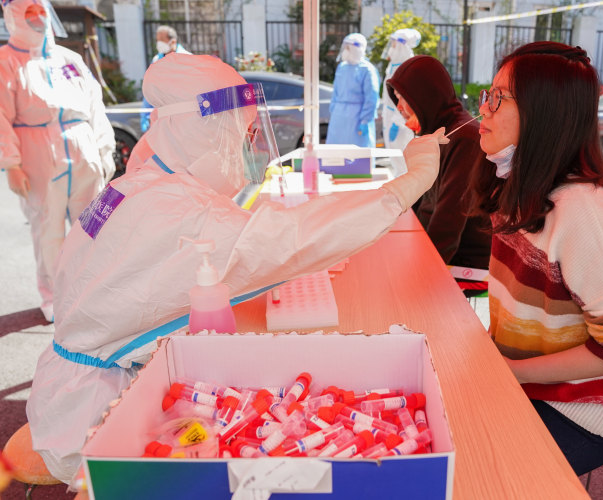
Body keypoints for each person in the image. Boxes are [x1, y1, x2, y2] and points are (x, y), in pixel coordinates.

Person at [25, 53, 446, 485]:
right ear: (205, 131)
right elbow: (286, 239)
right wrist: (407, 184)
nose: (248, 148)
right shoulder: (175, 211)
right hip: (94, 414)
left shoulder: (142, 184)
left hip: (83, 382)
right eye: (242, 135)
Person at [468, 42, 603, 475]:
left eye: (499, 98)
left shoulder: (582, 214)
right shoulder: (517, 188)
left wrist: (511, 372)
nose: (483, 108)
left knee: (472, 467)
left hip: (588, 410)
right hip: (534, 381)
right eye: (488, 94)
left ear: (544, 114)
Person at [0, 0, 115, 322]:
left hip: (83, 147)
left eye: (41, 10)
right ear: (13, 17)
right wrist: (12, 164)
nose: (38, 17)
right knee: (48, 229)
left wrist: (104, 149)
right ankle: (54, 297)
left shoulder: (70, 59)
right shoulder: (6, 62)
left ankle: (93, 291)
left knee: (93, 226)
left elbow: (96, 105)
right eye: (29, 12)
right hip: (38, 153)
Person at [386, 55, 491, 290]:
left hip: (463, 264)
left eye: (403, 98)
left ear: (425, 96)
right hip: (430, 247)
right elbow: (420, 196)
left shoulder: (464, 138)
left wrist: (419, 280)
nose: (399, 107)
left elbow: (449, 222)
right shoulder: (437, 132)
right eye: (397, 98)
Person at [327, 33, 379, 147]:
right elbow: (336, 93)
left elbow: (371, 98)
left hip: (357, 118)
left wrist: (365, 120)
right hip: (338, 116)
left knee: (357, 152)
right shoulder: (342, 67)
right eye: (345, 47)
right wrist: (334, 110)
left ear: (357, 49)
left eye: (348, 47)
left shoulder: (367, 70)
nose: (345, 51)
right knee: (336, 151)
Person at [381, 28, 420, 174]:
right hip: (390, 116)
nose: (391, 48)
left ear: (402, 46)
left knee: (403, 157)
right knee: (395, 158)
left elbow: (408, 100)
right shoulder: (393, 66)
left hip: (401, 121)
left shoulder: (408, 68)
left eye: (394, 44)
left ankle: (406, 186)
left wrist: (397, 122)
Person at [140, 25, 191, 133]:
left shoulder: (188, 59)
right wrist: (145, 115)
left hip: (184, 119)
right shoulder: (156, 60)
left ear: (173, 41)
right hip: (163, 118)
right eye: (157, 40)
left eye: (162, 40)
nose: (159, 44)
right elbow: (150, 89)